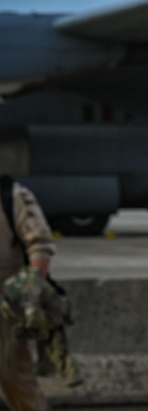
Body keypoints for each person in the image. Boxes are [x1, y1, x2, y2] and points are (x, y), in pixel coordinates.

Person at [0, 176, 55, 411]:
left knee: (14, 377)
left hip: (6, 305)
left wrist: (31, 299)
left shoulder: (12, 196)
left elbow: (39, 246)